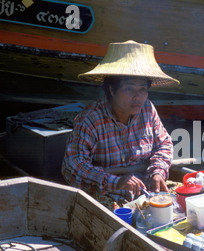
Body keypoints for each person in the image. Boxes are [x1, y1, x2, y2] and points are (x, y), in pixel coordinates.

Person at [61, 40, 179, 210]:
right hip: (107, 193)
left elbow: (164, 144)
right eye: (129, 89)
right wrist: (115, 182)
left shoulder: (147, 109)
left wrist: (158, 171)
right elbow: (73, 165)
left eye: (143, 89)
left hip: (143, 190)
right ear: (111, 90)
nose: (137, 97)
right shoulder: (90, 119)